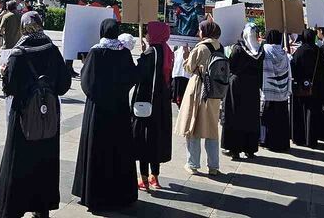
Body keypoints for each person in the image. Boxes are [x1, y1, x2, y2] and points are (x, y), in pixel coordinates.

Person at [0, 12, 72, 218]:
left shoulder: (18, 53)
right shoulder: (53, 50)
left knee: (19, 161)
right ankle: (41, 208)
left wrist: (4, 72)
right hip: (47, 116)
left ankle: (13, 207)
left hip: (23, 117)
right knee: (44, 162)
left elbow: (10, 87)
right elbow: (64, 85)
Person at [72, 19, 138, 211]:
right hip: (118, 109)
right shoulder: (124, 52)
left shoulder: (96, 52)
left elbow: (87, 82)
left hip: (98, 110)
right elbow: (132, 77)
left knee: (97, 148)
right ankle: (119, 195)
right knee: (118, 150)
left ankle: (95, 194)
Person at [176, 19, 224, 175]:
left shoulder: (201, 47)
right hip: (215, 91)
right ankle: (213, 166)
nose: (198, 32)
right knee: (212, 129)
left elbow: (189, 68)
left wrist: (185, 56)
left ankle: (193, 163)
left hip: (199, 88)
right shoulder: (220, 46)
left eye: (200, 29)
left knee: (193, 126)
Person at [132, 21, 173, 191]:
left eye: (149, 32)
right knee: (156, 139)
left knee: (144, 139)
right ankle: (155, 177)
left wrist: (142, 55)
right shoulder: (167, 51)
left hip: (147, 103)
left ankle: (143, 179)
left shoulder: (151, 53)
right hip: (162, 103)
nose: (147, 34)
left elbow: (139, 75)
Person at [221, 23, 263, 159]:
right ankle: (249, 149)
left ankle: (234, 149)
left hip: (237, 86)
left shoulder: (238, 49)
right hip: (252, 87)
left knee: (235, 116)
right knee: (250, 117)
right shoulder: (260, 51)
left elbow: (231, 65)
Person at [291, 28, 324, 149]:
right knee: (313, 113)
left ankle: (300, 138)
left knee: (301, 112)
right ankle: (311, 139)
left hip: (301, 87)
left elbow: (294, 68)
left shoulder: (299, 51)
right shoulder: (318, 51)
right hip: (316, 87)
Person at [261, 29, 291, 152]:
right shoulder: (284, 53)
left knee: (269, 119)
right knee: (281, 119)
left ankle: (268, 142)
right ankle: (282, 143)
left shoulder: (265, 51)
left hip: (269, 90)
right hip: (282, 91)